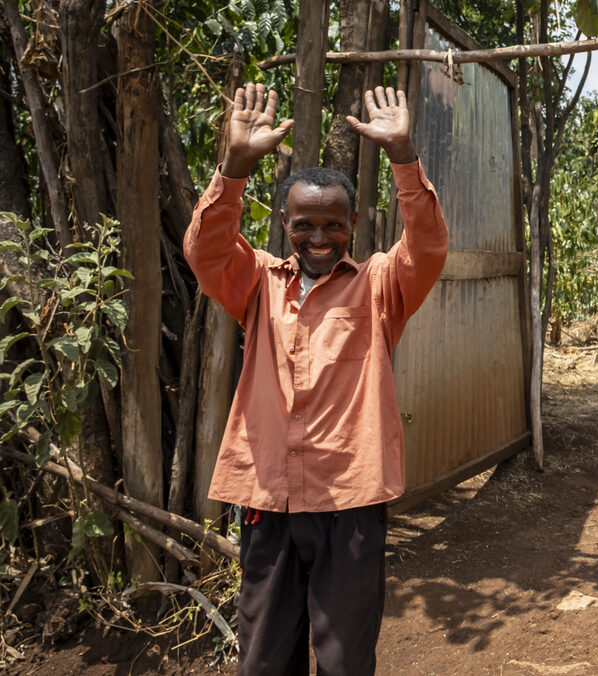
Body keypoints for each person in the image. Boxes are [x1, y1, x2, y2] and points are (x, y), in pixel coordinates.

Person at [184, 84, 448, 675]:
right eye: (305, 225)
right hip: (267, 501)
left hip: (349, 506)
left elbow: (428, 247)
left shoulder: (380, 284)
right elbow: (204, 252)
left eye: (334, 225)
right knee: (263, 659)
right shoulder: (254, 281)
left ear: (354, 222)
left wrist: (404, 156)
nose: (320, 238)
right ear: (284, 223)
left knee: (345, 661)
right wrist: (233, 168)